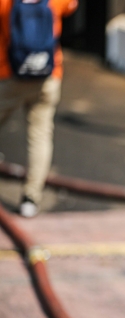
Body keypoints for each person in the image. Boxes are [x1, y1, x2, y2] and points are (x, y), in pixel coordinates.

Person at [0, 0, 78, 217]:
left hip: (9, 76)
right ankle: (31, 198)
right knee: (40, 136)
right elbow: (72, 7)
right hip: (48, 76)